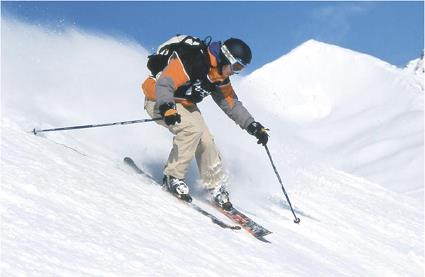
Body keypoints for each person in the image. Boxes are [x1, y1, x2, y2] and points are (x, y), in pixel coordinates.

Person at [141, 35, 269, 210]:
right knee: (191, 130)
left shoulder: (219, 76)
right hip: (159, 99)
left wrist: (252, 125)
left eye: (240, 68)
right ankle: (173, 177)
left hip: (184, 103)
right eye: (236, 66)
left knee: (206, 140)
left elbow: (231, 104)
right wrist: (167, 108)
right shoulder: (194, 60)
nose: (235, 71)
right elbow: (165, 83)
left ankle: (215, 186)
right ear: (226, 57)